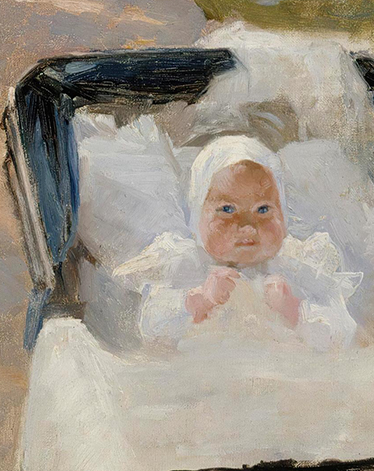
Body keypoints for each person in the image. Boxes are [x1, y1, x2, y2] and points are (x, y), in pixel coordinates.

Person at [113, 135, 361, 353]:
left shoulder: (294, 267)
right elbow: (152, 327)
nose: (247, 226)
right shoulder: (188, 266)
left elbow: (341, 334)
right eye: (227, 209)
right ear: (198, 214)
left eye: (263, 209)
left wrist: (295, 310)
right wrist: (199, 300)